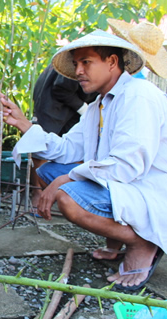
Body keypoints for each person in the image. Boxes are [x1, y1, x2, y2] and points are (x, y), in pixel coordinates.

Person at [0, 28, 167, 291]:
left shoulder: (139, 96)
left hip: (153, 192)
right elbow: (67, 149)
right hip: (127, 185)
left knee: (66, 196)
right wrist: (25, 125)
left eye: (86, 62)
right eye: (76, 64)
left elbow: (128, 165)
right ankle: (118, 240)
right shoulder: (99, 104)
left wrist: (66, 179)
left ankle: (143, 243)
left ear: (112, 62)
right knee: (51, 171)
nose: (79, 71)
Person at [29, 64, 98, 214]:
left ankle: (58, 192)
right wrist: (84, 109)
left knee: (70, 147)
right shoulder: (79, 67)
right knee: (39, 146)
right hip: (52, 102)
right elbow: (60, 88)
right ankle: (37, 193)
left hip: (75, 105)